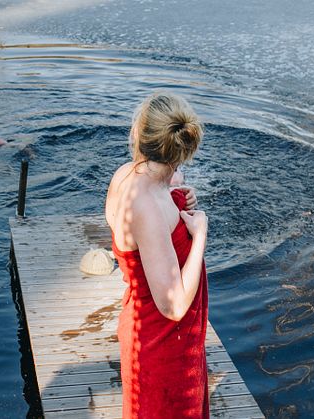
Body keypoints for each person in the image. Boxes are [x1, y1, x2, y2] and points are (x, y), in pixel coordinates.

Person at [105, 92, 208, 418]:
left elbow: (161, 183)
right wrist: (200, 235)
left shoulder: (128, 175)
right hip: (161, 346)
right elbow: (173, 304)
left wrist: (178, 195)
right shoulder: (147, 205)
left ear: (141, 135)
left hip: (173, 341)